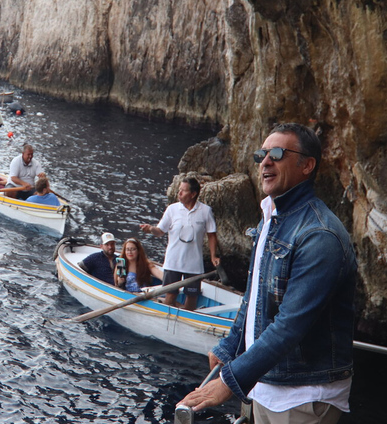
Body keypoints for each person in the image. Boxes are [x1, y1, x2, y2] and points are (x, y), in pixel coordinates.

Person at [179, 123, 357, 424]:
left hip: (304, 395)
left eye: (277, 153)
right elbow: (254, 297)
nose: (265, 161)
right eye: (261, 154)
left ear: (307, 166)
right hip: (265, 384)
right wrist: (231, 346)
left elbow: (289, 325)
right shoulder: (271, 218)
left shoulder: (320, 235)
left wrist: (228, 381)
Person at [140, 176, 218, 311]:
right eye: (179, 190)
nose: (179, 193)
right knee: (170, 294)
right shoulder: (172, 209)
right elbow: (160, 231)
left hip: (194, 264)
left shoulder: (205, 211)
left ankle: (187, 320)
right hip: (173, 261)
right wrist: (151, 229)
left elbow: (212, 234)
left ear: (193, 194)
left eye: (183, 191)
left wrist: (213, 256)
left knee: (192, 296)